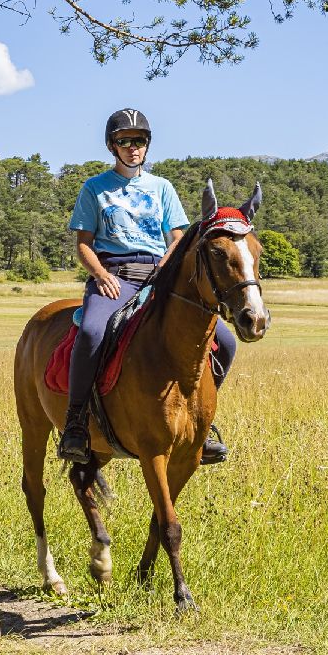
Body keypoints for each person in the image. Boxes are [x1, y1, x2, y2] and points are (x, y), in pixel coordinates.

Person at [58, 108, 236, 465]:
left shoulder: (162, 188)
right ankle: (76, 422)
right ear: (112, 146)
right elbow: (83, 243)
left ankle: (203, 424)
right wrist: (100, 275)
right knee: (93, 331)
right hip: (114, 275)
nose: (133, 147)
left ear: (146, 145)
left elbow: (177, 237)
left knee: (226, 341)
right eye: (124, 141)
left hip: (159, 275)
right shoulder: (94, 188)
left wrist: (167, 269)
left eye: (139, 141)